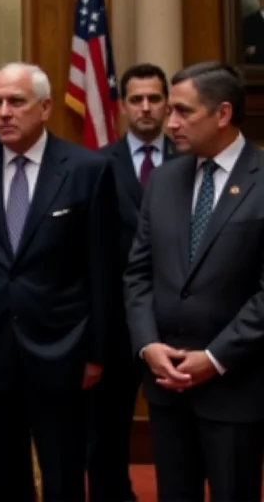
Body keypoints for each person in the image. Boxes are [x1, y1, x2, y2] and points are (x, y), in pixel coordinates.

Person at [0, 62, 117, 502]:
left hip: (61, 347)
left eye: (15, 102)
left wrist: (97, 353)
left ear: (44, 108)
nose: (3, 112)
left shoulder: (87, 169)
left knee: (62, 475)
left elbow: (101, 267)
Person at [125, 61, 264, 502]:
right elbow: (138, 273)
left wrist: (215, 357)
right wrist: (149, 345)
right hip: (167, 390)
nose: (171, 124)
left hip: (235, 390)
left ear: (222, 114)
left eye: (183, 112)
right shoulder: (165, 179)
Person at [90, 63, 175, 502]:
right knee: (107, 432)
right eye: (136, 99)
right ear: (122, 107)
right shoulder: (97, 165)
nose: (146, 107)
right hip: (117, 325)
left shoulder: (190, 160)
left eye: (154, 99)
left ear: (167, 104)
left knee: (180, 436)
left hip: (180, 325)